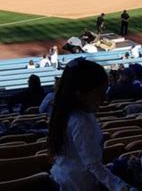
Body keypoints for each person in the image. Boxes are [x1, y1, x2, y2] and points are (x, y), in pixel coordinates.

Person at [48, 58, 131, 190]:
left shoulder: (70, 114)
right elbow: (93, 166)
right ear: (81, 94)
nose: (103, 100)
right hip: (76, 185)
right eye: (99, 94)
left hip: (66, 179)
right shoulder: (80, 121)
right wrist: (121, 187)